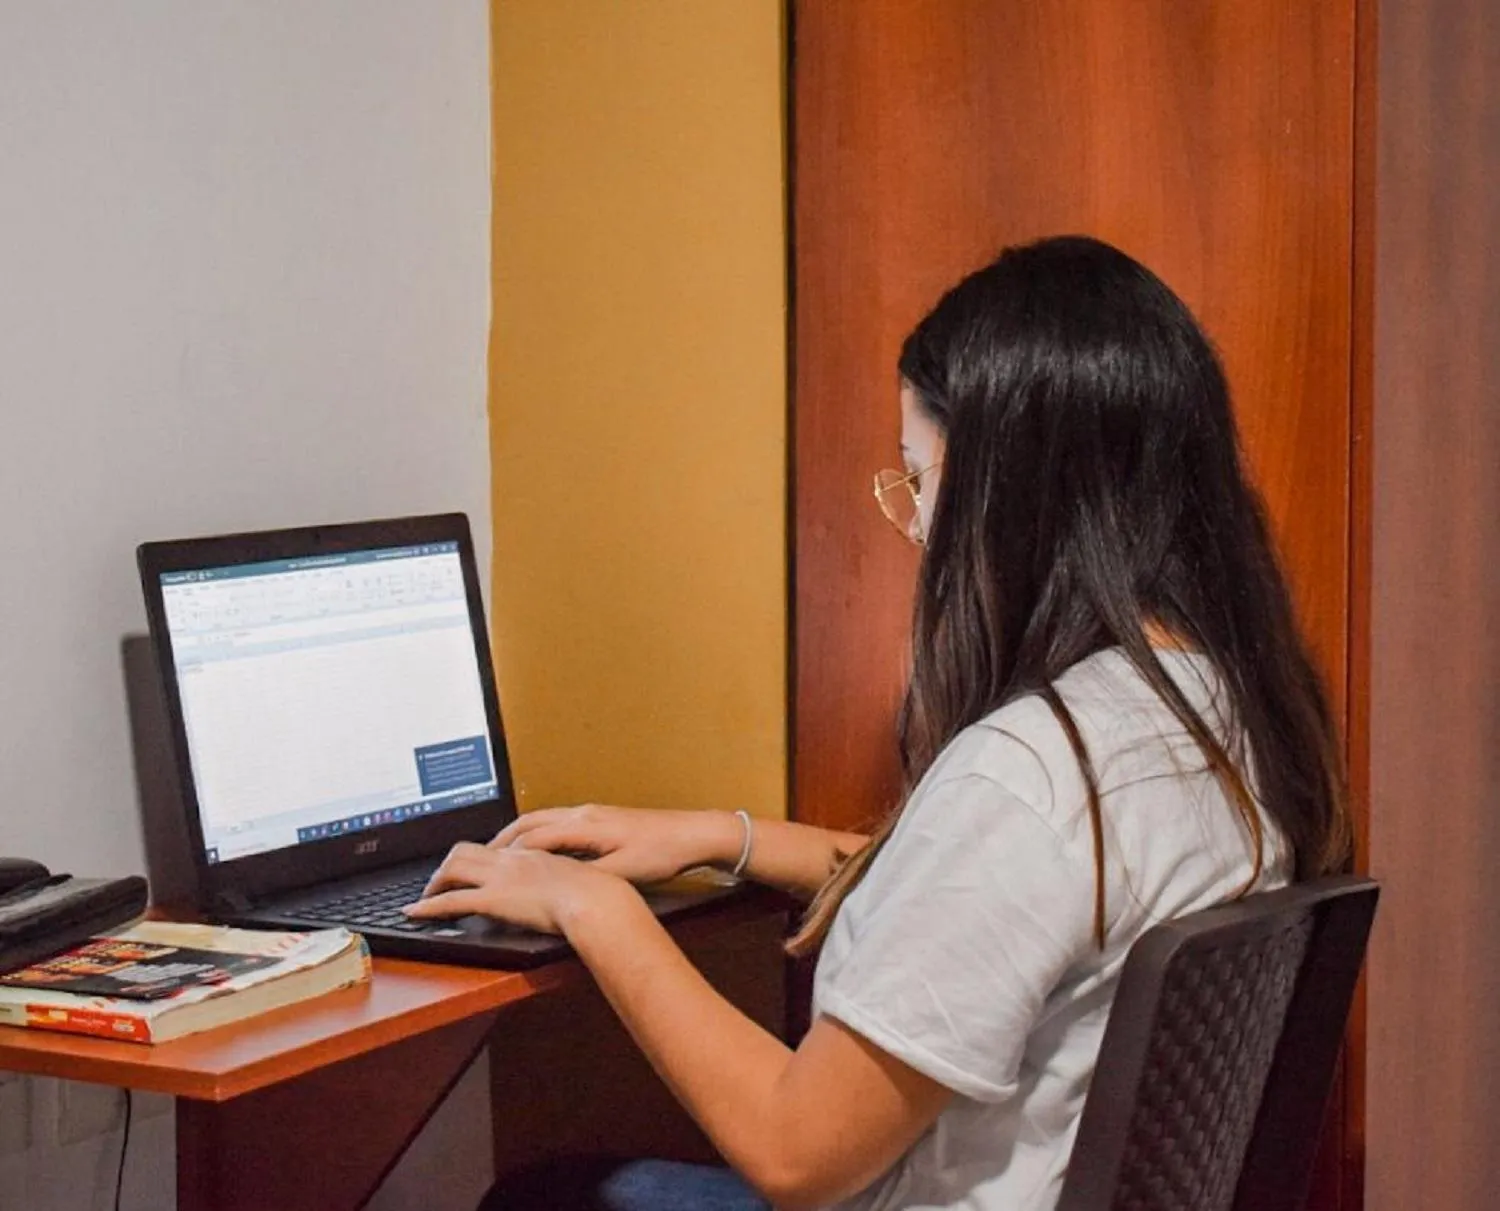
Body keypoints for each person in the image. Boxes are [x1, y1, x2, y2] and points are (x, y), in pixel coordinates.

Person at [407, 235, 1352, 1211]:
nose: (915, 527)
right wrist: (729, 837)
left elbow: (795, 1151)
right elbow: (1004, 905)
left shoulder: (1029, 774)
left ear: (1011, 498)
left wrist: (592, 909)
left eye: (920, 479)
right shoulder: (1212, 711)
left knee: (544, 1197)